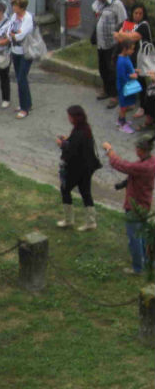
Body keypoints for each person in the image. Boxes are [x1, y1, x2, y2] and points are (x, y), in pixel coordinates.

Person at [102, 133, 154, 274]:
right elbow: (133, 171)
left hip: (134, 206)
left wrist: (109, 151)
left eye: (137, 148)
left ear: (141, 150)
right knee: (143, 235)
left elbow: (122, 165)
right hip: (145, 204)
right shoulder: (151, 162)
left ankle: (138, 268)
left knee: (134, 238)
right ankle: (149, 262)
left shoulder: (143, 167)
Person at [56, 105, 101, 231]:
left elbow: (71, 151)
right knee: (85, 192)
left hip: (77, 168)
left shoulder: (78, 133)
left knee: (65, 189)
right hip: (87, 167)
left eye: (70, 116)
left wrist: (62, 144)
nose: (68, 118)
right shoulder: (85, 129)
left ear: (74, 118)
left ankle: (69, 220)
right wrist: (67, 141)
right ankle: (91, 222)